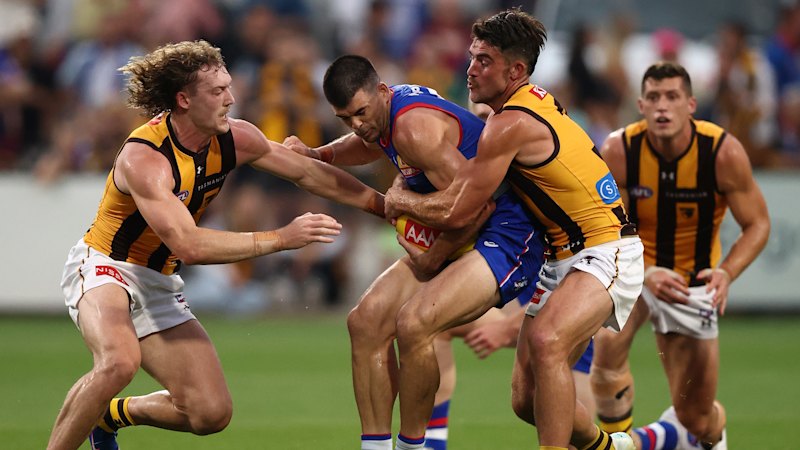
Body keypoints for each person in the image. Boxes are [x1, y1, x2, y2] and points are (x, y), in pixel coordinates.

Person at [46, 40, 386, 450]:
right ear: (184, 99)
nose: (231, 98)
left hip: (158, 279)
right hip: (106, 266)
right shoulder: (146, 157)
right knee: (119, 363)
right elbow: (188, 245)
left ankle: (108, 415)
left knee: (210, 413)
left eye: (228, 86)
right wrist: (281, 238)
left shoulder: (235, 138)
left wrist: (387, 208)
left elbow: (309, 174)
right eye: (218, 91)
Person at [384, 8, 643, 450]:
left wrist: (398, 200)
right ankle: (613, 447)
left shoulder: (510, 124)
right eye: (472, 57)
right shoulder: (523, 106)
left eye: (484, 60)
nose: (470, 69)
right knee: (527, 401)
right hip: (562, 256)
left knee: (547, 341)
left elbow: (460, 209)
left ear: (516, 71)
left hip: (605, 247)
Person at [284, 54, 546, 450]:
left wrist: (421, 236)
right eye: (345, 118)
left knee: (415, 324)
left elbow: (476, 206)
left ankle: (413, 446)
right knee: (366, 321)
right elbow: (368, 143)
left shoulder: (414, 130)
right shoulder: (386, 116)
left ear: (382, 91)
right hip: (459, 226)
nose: (356, 125)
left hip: (506, 231)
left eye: (360, 112)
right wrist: (319, 154)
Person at [590, 61, 771, 450]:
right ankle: (620, 442)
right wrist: (646, 270)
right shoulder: (619, 150)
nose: (662, 106)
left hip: (692, 283)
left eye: (672, 97)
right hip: (636, 270)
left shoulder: (721, 152)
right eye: (654, 97)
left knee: (697, 417)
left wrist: (726, 273)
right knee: (605, 349)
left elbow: (758, 224)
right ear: (640, 104)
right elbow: (609, 228)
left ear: (691, 105)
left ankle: (689, 433)